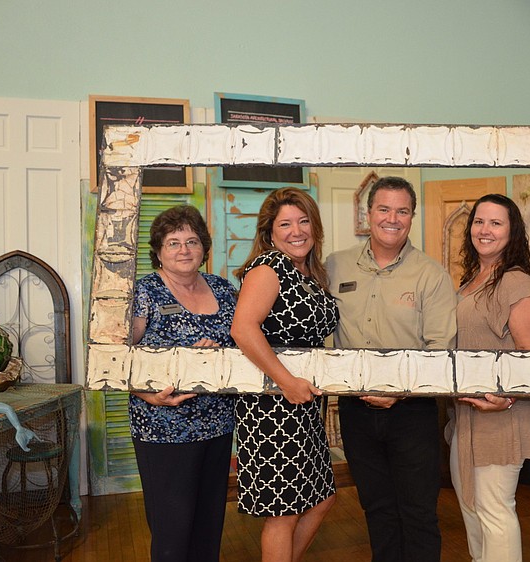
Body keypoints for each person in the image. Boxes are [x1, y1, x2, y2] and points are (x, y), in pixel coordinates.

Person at [326, 176, 457, 562]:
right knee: (377, 509)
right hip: (355, 411)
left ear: (412, 216)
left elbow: (440, 349)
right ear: (368, 214)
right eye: (384, 209)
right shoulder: (335, 265)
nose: (392, 218)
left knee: (418, 513)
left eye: (402, 211)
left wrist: (398, 390)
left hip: (412, 413)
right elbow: (322, 333)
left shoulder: (431, 275)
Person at [231, 187, 338, 562]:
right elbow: (243, 329)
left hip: (304, 406)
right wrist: (286, 382)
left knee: (321, 498)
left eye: (304, 221)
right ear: (270, 232)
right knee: (283, 512)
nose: (297, 231)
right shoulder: (268, 268)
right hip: (272, 408)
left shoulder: (308, 272)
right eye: (285, 224)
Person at [129, 205, 237, 562]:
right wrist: (147, 395)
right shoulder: (143, 292)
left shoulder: (223, 289)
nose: (184, 250)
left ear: (204, 247)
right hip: (163, 428)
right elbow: (113, 355)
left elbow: (242, 346)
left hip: (218, 425)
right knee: (172, 530)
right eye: (173, 242)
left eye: (191, 241)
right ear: (158, 250)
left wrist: (216, 353)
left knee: (209, 525)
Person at [448, 193, 530, 562]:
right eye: (478, 221)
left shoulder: (516, 282)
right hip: (468, 416)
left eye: (495, 223)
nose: (484, 230)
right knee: (473, 509)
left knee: (494, 510)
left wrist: (507, 399)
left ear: (512, 231)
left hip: (502, 416)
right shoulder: (473, 279)